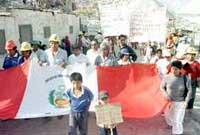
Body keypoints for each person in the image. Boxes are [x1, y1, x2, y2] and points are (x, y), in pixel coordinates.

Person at [161, 60, 192, 135]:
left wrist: (186, 101)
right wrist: (166, 95)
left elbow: (190, 90)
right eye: (172, 68)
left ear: (180, 69)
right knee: (168, 117)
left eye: (176, 69)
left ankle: (177, 132)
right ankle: (172, 125)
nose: (173, 70)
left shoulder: (185, 78)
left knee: (177, 120)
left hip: (180, 102)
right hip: (169, 102)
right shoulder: (167, 77)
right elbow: (162, 87)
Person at [183, 47, 200, 112]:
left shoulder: (197, 64)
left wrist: (198, 82)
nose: (191, 56)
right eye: (190, 54)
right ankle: (184, 107)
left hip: (193, 82)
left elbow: (199, 74)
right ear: (187, 55)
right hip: (184, 81)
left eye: (193, 54)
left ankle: (190, 108)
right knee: (184, 94)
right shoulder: (184, 63)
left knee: (192, 95)